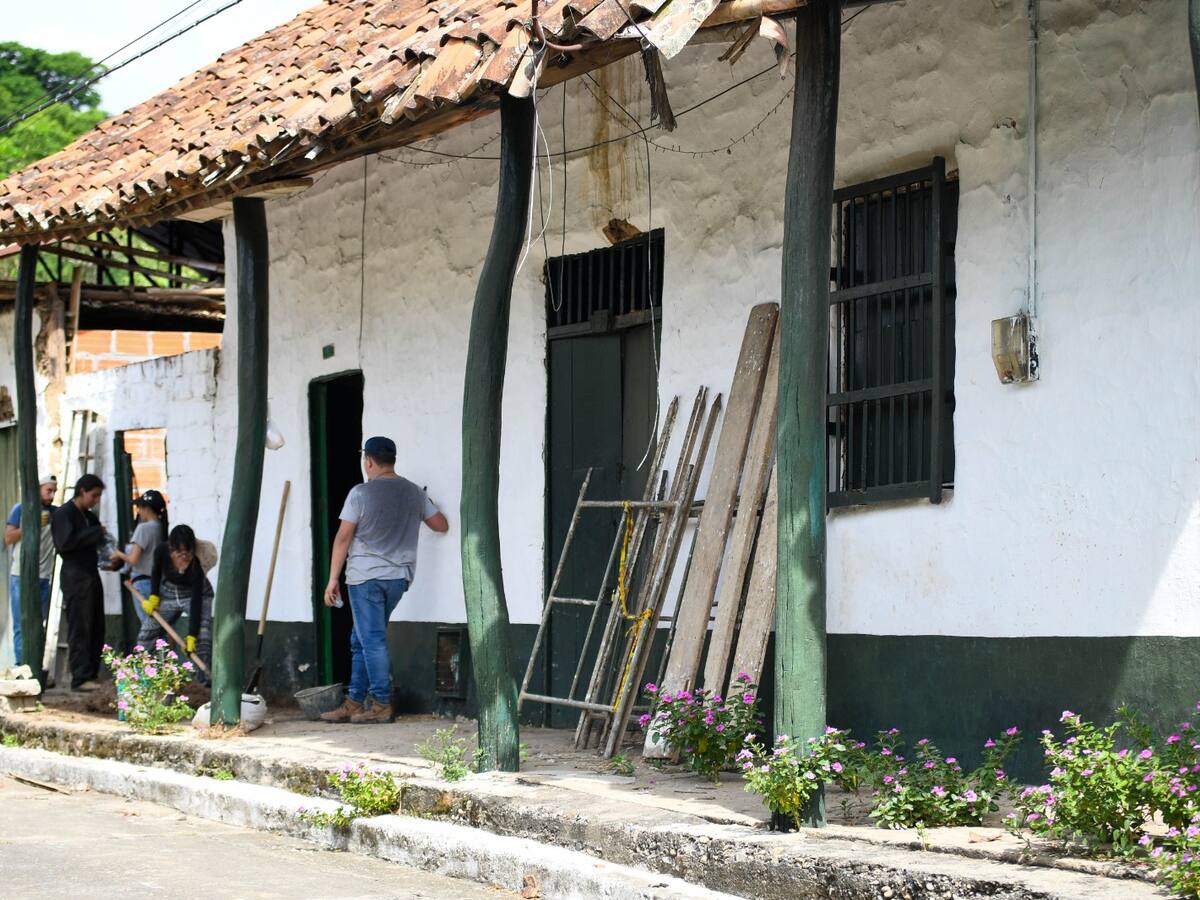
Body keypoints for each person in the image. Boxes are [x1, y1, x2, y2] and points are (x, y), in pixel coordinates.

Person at [320, 436, 448, 724]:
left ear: (368, 461)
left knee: (372, 640)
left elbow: (343, 537)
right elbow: (441, 525)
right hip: (399, 579)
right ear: (393, 460)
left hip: (365, 578)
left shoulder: (361, 493)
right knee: (361, 639)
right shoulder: (414, 493)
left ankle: (379, 704)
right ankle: (354, 701)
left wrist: (332, 579)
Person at [50, 474, 106, 691]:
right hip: (75, 574)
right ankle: (80, 677)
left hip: (91, 572)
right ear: (82, 491)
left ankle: (91, 672)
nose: (95, 500)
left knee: (96, 625)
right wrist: (93, 534)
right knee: (80, 625)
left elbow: (98, 542)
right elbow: (64, 543)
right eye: (93, 495)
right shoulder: (64, 514)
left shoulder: (89, 517)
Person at [138, 524, 213, 680]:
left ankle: (202, 684)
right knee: (147, 632)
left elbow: (196, 601)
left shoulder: (197, 564)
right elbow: (156, 571)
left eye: (188, 552)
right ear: (171, 548)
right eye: (179, 552)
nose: (184, 557)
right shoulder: (161, 551)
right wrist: (154, 596)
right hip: (170, 593)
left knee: (202, 636)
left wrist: (192, 635)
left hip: (197, 595)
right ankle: (146, 677)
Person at [4, 474, 58, 663]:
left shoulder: (55, 513)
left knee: (38, 625)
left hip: (43, 575)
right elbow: (9, 538)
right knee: (21, 624)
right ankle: (21, 666)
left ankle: (34, 664)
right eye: (48, 491)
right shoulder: (21, 509)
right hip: (20, 574)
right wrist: (31, 524)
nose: (51, 496)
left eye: (54, 492)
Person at [109, 490, 167, 625]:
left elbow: (133, 559)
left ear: (146, 508)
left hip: (142, 582)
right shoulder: (161, 527)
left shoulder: (143, 528)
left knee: (148, 628)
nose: (138, 511)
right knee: (159, 626)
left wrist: (118, 553)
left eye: (139, 508)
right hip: (158, 584)